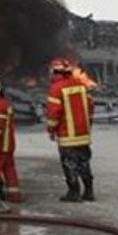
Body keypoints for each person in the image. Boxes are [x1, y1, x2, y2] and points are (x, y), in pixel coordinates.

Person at [45, 58, 96, 202]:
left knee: (69, 164)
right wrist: (88, 124)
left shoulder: (56, 89)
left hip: (67, 135)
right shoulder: (81, 85)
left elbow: (54, 114)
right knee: (84, 163)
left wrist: (51, 130)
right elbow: (91, 107)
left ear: (56, 72)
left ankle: (74, 193)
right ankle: (89, 191)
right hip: (83, 134)